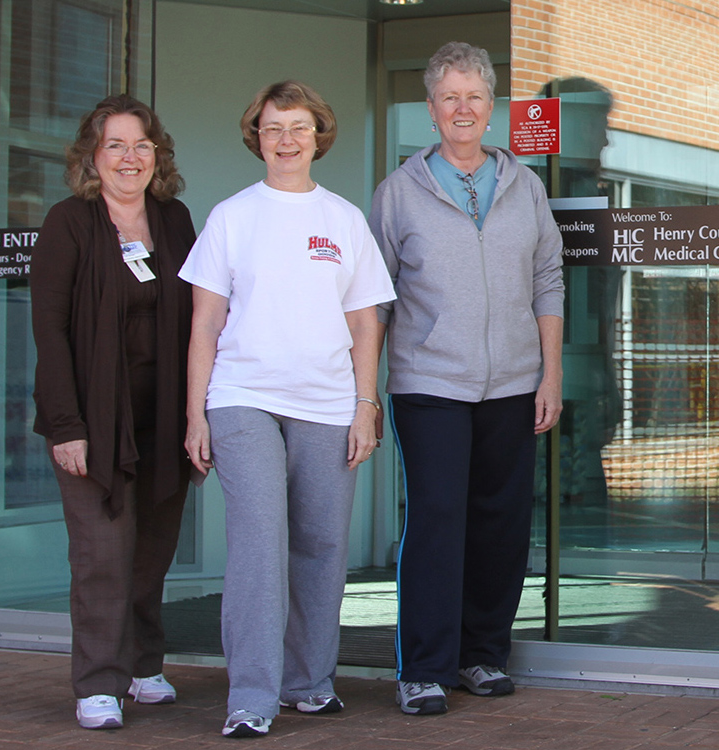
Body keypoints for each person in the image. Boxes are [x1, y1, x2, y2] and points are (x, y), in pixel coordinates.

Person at [179, 80, 395, 738]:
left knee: (322, 545)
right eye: (273, 128)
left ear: (318, 136)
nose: (287, 139)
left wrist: (365, 405)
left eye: (299, 127)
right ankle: (251, 695)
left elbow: (365, 324)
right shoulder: (232, 217)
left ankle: (309, 682)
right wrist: (195, 414)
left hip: (328, 403)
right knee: (258, 544)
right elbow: (204, 323)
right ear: (257, 137)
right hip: (242, 398)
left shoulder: (343, 219)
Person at [368, 41, 564, 716]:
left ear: (491, 106)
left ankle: (482, 654)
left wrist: (549, 374)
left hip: (513, 383)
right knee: (438, 520)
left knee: (501, 524)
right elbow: (374, 299)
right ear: (430, 109)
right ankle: (423, 667)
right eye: (449, 97)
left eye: (474, 96)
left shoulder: (525, 186)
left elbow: (547, 280)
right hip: (429, 385)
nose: (462, 108)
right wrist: (367, 390)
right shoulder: (398, 193)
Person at [30, 94, 195, 730]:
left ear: (158, 155)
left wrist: (198, 415)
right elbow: (49, 331)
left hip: (164, 417)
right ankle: (99, 681)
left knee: (152, 551)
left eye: (141, 145)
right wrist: (66, 426)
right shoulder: (69, 221)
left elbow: (203, 314)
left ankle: (144, 665)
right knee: (102, 554)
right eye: (116, 146)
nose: (130, 158)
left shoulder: (174, 219)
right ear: (92, 157)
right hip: (93, 419)